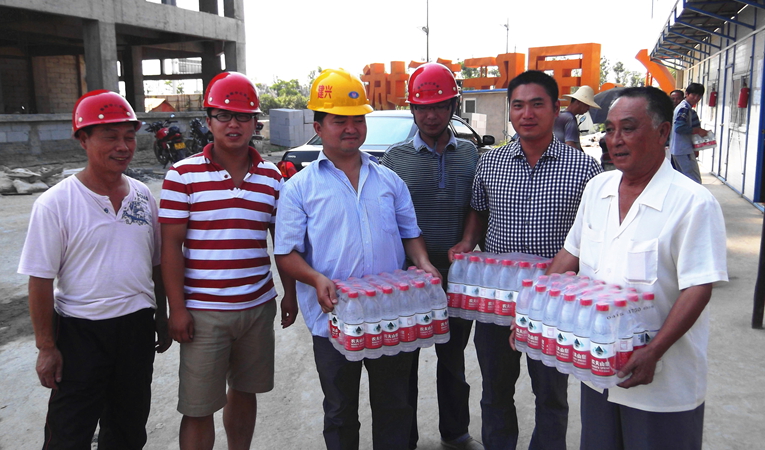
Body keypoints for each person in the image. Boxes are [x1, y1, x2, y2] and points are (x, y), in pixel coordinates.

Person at [546, 87, 728, 450]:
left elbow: (698, 288)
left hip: (660, 381)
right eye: (610, 129)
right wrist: (533, 315)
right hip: (598, 369)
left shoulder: (693, 203)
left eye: (628, 128)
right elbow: (570, 254)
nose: (614, 140)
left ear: (662, 133)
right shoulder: (598, 189)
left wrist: (654, 351)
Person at [274, 68, 440, 450]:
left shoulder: (389, 180)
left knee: (394, 405)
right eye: (340, 120)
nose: (351, 128)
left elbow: (410, 234)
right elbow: (286, 253)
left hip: (388, 314)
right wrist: (315, 279)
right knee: (340, 410)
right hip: (333, 320)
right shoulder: (299, 188)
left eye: (358, 120)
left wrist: (423, 262)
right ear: (318, 127)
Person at [449, 70, 602, 450]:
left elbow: (594, 236)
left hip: (553, 306)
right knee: (495, 391)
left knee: (551, 395)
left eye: (537, 104)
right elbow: (478, 209)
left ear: (556, 109)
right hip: (496, 301)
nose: (527, 114)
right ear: (510, 110)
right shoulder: (491, 163)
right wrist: (467, 241)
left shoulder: (585, 169)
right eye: (518, 105)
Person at [18, 90, 171, 449]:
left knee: (128, 427)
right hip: (80, 333)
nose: (123, 146)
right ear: (83, 140)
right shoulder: (56, 203)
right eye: (110, 136)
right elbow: (40, 281)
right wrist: (46, 347)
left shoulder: (142, 196)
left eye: (129, 137)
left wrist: (161, 316)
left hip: (135, 329)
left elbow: (156, 264)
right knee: (69, 431)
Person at [159, 71, 298, 450]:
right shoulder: (182, 175)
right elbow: (170, 247)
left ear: (255, 123)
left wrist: (290, 293)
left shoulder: (272, 178)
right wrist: (177, 309)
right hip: (203, 313)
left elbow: (282, 242)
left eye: (242, 116)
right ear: (209, 121)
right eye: (223, 115)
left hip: (257, 308)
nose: (233, 124)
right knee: (198, 407)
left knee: (244, 391)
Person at [381, 62, 482, 450]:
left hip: (457, 275)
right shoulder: (395, 159)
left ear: (454, 106)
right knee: (402, 362)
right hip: (408, 278)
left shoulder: (471, 155)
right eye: (422, 107)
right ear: (412, 110)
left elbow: (478, 206)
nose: (431, 115)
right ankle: (403, 439)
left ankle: (455, 432)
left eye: (440, 106)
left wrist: (469, 242)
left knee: (453, 361)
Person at [670, 83, 709, 183]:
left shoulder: (685, 108)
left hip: (679, 149)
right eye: (693, 95)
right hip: (683, 150)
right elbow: (679, 128)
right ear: (687, 94)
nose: (696, 98)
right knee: (694, 180)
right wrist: (698, 131)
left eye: (699, 96)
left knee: (683, 179)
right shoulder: (684, 108)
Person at [553, 85, 601, 150]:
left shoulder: (560, 115)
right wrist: (582, 155)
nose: (588, 108)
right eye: (586, 105)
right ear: (578, 102)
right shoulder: (570, 119)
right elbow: (570, 145)